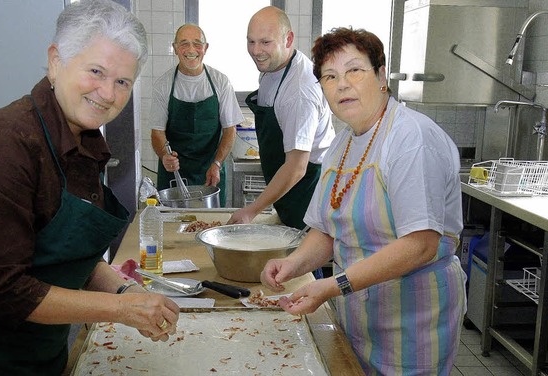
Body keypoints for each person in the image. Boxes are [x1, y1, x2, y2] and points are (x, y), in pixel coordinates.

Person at [0, 1, 180, 375]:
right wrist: (120, 310)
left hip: (37, 346)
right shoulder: (5, 143)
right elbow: (1, 288)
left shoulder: (84, 143)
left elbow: (69, 256)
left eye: (122, 82)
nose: (107, 93)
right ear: (56, 61)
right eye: (96, 71)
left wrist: (125, 291)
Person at [260, 27, 467, 375]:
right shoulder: (342, 145)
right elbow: (327, 231)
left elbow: (420, 244)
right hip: (359, 316)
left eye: (354, 70)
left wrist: (334, 284)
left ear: (381, 75)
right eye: (330, 76)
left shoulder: (410, 138)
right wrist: (293, 265)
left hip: (413, 323)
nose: (342, 84)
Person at [228, 6, 335, 231]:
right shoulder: (272, 68)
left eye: (265, 42)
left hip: (308, 194)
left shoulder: (299, 91)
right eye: (251, 41)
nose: (256, 50)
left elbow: (296, 167)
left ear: (288, 39)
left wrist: (252, 210)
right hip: (289, 192)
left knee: (301, 261)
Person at [150, 24, 244, 207]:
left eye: (197, 44)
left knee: (210, 227)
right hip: (174, 172)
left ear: (206, 48)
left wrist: (217, 163)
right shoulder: (163, 85)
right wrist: (164, 155)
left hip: (210, 170)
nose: (191, 50)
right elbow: (157, 132)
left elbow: (230, 130)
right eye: (184, 44)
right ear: (175, 48)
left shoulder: (220, 82)